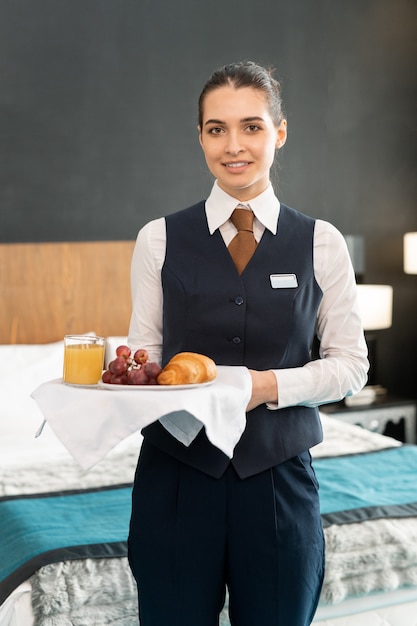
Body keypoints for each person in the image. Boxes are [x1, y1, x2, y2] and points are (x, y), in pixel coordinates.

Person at [127, 60, 368, 626]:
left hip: (280, 482)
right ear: (201, 136)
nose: (234, 145)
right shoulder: (157, 239)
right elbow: (146, 357)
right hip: (178, 481)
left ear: (279, 133)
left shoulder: (323, 244)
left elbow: (352, 366)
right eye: (217, 129)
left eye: (252, 126)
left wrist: (264, 387)